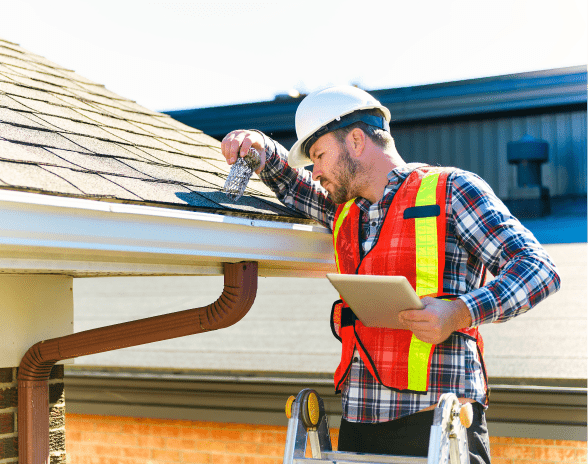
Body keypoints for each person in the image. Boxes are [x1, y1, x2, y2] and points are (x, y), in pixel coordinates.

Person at [220, 86, 560, 464]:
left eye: (318, 155)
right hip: (359, 420)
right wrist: (258, 146)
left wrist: (458, 313)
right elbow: (289, 181)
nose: (314, 171)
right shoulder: (345, 212)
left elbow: (537, 269)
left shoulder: (452, 191)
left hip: (438, 421)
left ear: (355, 140)